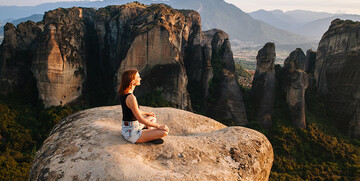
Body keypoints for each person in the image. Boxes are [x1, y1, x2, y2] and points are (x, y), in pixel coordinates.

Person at [118, 69, 169, 144]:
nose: (140, 79)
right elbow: (141, 120)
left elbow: (134, 111)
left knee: (152, 117)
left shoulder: (123, 93)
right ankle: (149, 136)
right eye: (138, 77)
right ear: (132, 82)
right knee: (164, 132)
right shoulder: (131, 98)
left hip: (127, 128)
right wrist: (158, 126)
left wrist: (147, 113)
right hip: (132, 133)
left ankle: (148, 134)